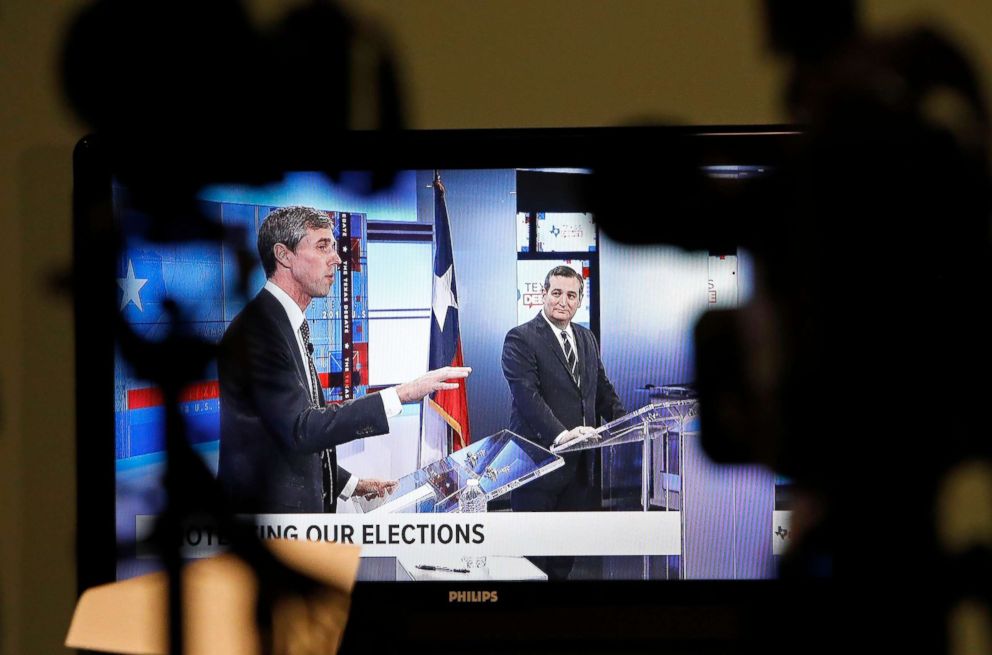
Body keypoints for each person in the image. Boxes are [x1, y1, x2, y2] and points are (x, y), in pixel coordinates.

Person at [218, 205, 470, 513]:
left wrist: (352, 485)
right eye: (323, 246)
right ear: (283, 255)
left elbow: (278, 433)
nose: (337, 259)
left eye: (335, 248)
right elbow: (301, 429)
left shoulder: (281, 323)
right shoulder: (258, 331)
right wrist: (401, 394)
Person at [501, 265, 626, 579]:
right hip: (536, 467)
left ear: (579, 300)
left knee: (563, 559)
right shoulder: (520, 339)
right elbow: (528, 398)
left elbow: (601, 390)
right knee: (533, 562)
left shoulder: (585, 338)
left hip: (579, 471)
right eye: (556, 293)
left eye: (571, 295)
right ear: (543, 295)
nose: (563, 301)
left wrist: (624, 423)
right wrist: (563, 435)